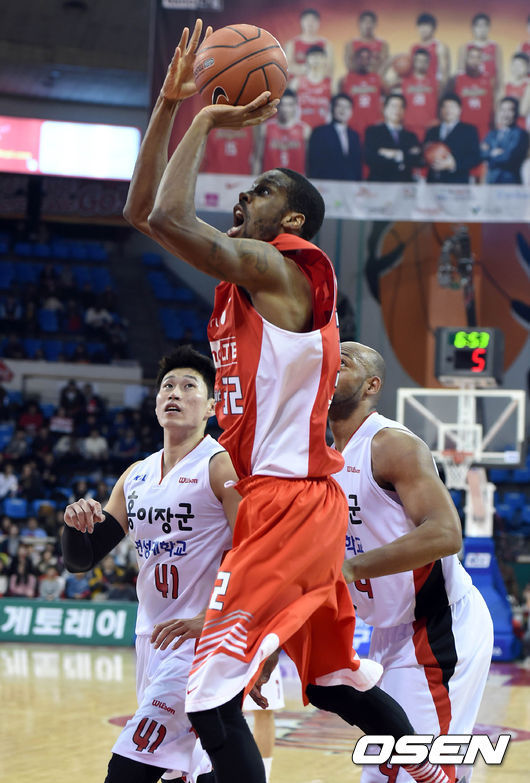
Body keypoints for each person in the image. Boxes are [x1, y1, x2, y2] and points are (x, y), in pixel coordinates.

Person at [122, 19, 457, 783]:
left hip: (288, 504)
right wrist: (169, 105)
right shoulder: (241, 286)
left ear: (294, 219)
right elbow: (141, 212)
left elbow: (168, 217)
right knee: (338, 682)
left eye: (263, 190)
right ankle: (434, 777)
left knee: (211, 700)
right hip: (291, 504)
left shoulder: (287, 269)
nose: (245, 195)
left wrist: (206, 118)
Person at [62, 341, 239, 783]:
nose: (174, 392)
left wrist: (215, 618)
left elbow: (258, 552)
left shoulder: (220, 467)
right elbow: (82, 559)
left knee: (129, 766)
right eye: (167, 386)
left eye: (189, 386)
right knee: (186, 770)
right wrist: (74, 525)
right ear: (156, 402)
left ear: (212, 406)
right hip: (151, 639)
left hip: (201, 639)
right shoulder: (136, 474)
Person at [329, 341, 493, 783]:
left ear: (371, 386)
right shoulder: (322, 460)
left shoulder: (390, 444)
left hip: (438, 625)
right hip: (389, 631)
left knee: (417, 771)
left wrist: (352, 569)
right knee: (386, 772)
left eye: (343, 361)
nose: (329, 363)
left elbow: (446, 533)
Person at [424, 94, 481, 183]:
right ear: (440, 110)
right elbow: (424, 153)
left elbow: (476, 157)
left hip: (457, 182)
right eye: (445, 107)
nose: (448, 110)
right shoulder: (432, 131)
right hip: (433, 182)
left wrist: (453, 164)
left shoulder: (469, 131)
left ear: (460, 109)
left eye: (452, 107)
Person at [364, 94, 422, 181]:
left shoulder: (411, 136)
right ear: (384, 109)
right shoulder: (373, 132)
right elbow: (369, 158)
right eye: (393, 106)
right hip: (380, 182)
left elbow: (418, 160)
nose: (397, 110)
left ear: (404, 111)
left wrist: (397, 154)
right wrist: (405, 155)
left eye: (401, 107)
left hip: (404, 183)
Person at [253, 89, 310, 175]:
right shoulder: (266, 128)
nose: (286, 109)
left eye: (290, 105)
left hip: (295, 180)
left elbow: (308, 162)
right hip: (271, 179)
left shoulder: (305, 130)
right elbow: (257, 158)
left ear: (295, 106)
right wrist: (254, 178)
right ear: (278, 106)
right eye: (283, 105)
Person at [307, 93, 362, 180]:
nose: (343, 110)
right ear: (332, 108)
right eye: (339, 106)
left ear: (351, 111)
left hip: (350, 184)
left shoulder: (354, 135)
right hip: (327, 183)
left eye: (347, 107)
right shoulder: (320, 132)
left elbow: (357, 165)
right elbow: (314, 163)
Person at [339, 46, 384, 142]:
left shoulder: (377, 79)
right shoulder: (345, 79)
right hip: (352, 125)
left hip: (373, 125)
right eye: (361, 57)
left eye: (368, 58)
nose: (364, 61)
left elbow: (388, 97)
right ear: (355, 59)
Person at [450, 46, 494, 141]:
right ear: (466, 59)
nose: (475, 61)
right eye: (472, 57)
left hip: (483, 128)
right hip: (462, 127)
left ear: (481, 60)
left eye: (478, 57)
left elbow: (493, 105)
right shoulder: (457, 79)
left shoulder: (488, 79)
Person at [481, 96, 529, 183]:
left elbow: (508, 157)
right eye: (502, 110)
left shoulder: (521, 134)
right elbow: (480, 153)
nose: (505, 114)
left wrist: (489, 154)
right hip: (491, 182)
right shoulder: (492, 134)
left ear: (516, 113)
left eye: (509, 110)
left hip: (510, 183)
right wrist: (492, 153)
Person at [399, 48, 439, 143]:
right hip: (409, 127)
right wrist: (393, 59)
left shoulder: (435, 82)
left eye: (425, 61)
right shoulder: (404, 80)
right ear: (413, 62)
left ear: (428, 63)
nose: (422, 63)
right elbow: (383, 81)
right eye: (419, 60)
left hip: (429, 128)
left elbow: (441, 102)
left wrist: (438, 119)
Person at [457, 13, 503, 95]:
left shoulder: (495, 47)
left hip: (490, 88)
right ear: (473, 28)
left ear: (489, 28)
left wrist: (499, 91)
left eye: (485, 26)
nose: (482, 29)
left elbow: (499, 71)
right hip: (471, 89)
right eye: (479, 26)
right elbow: (461, 71)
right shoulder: (465, 47)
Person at [284, 8, 333, 80]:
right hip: (296, 84)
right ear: (301, 22)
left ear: (318, 23)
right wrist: (311, 70)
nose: (310, 23)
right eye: (307, 20)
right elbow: (289, 67)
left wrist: (311, 73)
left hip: (319, 83)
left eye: (313, 20)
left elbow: (329, 68)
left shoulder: (326, 44)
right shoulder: (292, 44)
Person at [409, 13, 450, 88]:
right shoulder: (414, 47)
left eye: (427, 26)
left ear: (434, 28)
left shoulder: (440, 47)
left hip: (433, 88)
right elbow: (412, 70)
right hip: (416, 87)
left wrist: (441, 89)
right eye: (421, 26)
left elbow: (445, 74)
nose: (423, 29)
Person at [344, 9, 389, 75]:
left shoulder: (383, 44)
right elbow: (349, 65)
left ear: (375, 24)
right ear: (359, 24)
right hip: (355, 77)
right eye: (365, 22)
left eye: (370, 22)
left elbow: (385, 65)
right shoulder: (351, 44)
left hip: (375, 78)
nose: (368, 26)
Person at [505, 53, 530, 131]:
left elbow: (522, 111)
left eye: (520, 66)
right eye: (515, 65)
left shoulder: (528, 86)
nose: (517, 68)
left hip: (522, 127)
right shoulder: (506, 86)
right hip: (505, 127)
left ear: (527, 68)